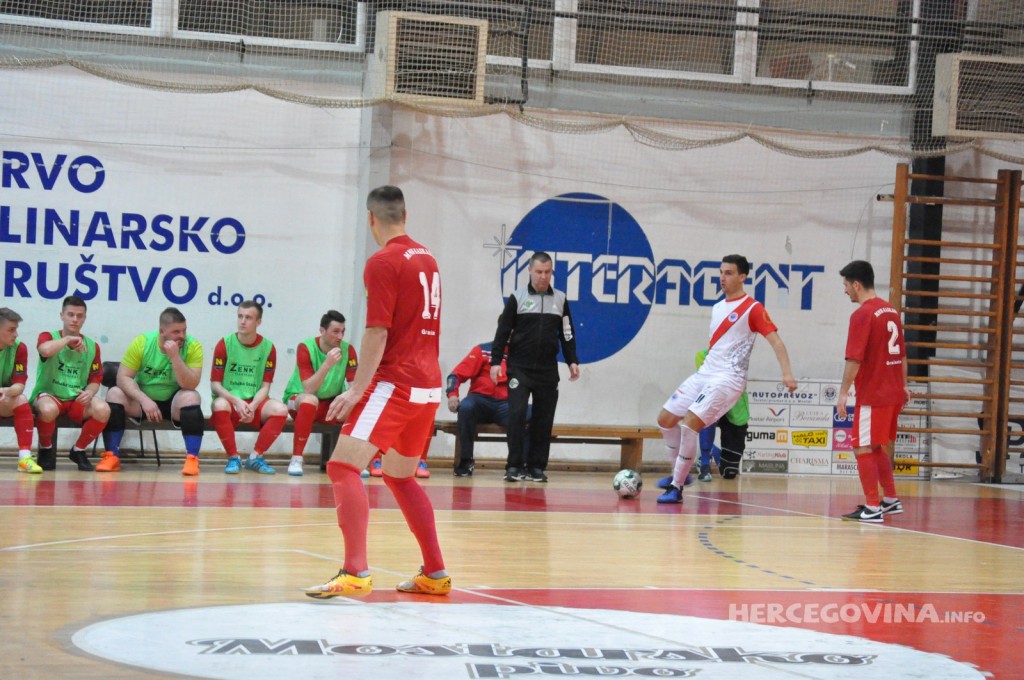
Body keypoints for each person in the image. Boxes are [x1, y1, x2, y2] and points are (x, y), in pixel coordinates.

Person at [305, 185, 449, 599]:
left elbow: (376, 330)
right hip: (426, 384)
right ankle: (435, 573)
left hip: (396, 382)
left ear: (371, 219)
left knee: (342, 467)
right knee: (400, 477)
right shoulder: (428, 258)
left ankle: (354, 571)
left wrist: (357, 388)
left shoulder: (383, 261)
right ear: (405, 215)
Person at [656, 254, 796, 503]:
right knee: (665, 419)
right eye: (721, 272)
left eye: (729, 273)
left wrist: (787, 373)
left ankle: (676, 487)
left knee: (689, 425)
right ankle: (681, 473)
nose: (722, 277)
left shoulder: (753, 308)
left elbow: (777, 341)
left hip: (729, 378)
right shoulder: (718, 307)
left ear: (743, 276)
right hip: (706, 373)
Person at [490, 251, 580, 483]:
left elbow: (567, 333)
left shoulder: (560, 299)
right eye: (539, 272)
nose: (543, 277)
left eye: (547, 272)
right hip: (519, 368)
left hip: (547, 371)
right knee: (517, 414)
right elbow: (502, 332)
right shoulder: (517, 297)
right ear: (529, 271)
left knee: (543, 418)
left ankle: (536, 467)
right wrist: (495, 361)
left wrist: (572, 360)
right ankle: (514, 466)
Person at [837, 260, 908, 523]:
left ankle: (872, 506)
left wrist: (843, 393)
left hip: (874, 393)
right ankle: (890, 499)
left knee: (861, 447)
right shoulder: (891, 311)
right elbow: (901, 355)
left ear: (856, 284)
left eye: (846, 285)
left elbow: (854, 359)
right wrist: (904, 385)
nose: (845, 291)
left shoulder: (862, 314)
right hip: (892, 392)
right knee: (877, 447)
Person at [101, 307, 205, 475]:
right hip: (143, 401)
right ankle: (111, 456)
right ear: (162, 331)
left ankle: (192, 460)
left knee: (192, 397)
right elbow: (123, 377)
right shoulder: (142, 343)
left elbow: (191, 383)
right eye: (176, 332)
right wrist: (144, 400)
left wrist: (175, 357)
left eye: (184, 330)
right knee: (114, 393)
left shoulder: (193, 346)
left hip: (173, 403)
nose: (182, 336)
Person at [30, 295, 111, 471]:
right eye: (71, 314)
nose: (75, 319)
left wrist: (90, 392)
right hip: (49, 395)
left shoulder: (92, 346)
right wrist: (68, 339)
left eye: (79, 315)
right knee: (47, 410)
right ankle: (45, 448)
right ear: (62, 315)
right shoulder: (47, 336)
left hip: (76, 398)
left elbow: (95, 379)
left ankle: (78, 450)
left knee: (103, 409)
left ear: (85, 318)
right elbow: (44, 351)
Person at [209, 300, 288, 475]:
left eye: (248, 318)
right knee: (219, 405)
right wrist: (236, 401)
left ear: (258, 322)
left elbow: (265, 386)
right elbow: (215, 384)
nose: (242, 321)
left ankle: (255, 457)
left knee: (281, 409)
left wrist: (252, 406)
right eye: (240, 316)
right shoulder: (225, 344)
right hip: (230, 400)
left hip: (254, 401)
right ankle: (233, 457)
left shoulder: (268, 347)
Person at [282, 310, 358, 476]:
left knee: (358, 404)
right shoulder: (305, 348)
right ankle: (296, 458)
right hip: (298, 400)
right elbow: (309, 388)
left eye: (343, 331)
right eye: (335, 331)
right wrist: (327, 364)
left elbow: (354, 385)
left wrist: (353, 398)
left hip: (329, 403)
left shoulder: (348, 350)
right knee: (310, 400)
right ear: (322, 331)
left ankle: (355, 461)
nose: (340, 336)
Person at [446, 339, 529, 477]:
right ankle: (466, 460)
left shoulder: (521, 354)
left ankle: (519, 464)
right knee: (466, 407)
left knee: (530, 412)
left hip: (506, 405)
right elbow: (455, 375)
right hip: (480, 401)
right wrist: (452, 395)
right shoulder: (482, 350)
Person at [0, 308, 39, 473]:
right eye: (11, 330)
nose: (15, 334)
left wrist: (6, 391)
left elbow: (19, 384)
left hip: (3, 399)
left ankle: (24, 458)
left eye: (16, 329)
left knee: (21, 399)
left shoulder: (19, 348)